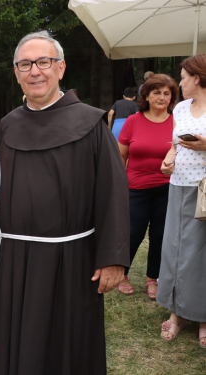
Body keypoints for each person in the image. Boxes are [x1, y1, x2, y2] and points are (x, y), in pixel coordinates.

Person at [0, 31, 130, 375]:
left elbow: (113, 193)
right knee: (20, 342)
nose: (35, 71)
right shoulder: (6, 128)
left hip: (73, 259)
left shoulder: (90, 122)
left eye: (43, 62)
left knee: (69, 345)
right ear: (16, 72)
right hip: (17, 260)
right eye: (25, 64)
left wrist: (113, 258)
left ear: (61, 68)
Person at [159, 54, 206, 347]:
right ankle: (176, 313)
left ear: (197, 79)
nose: (180, 82)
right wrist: (169, 158)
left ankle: (202, 317)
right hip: (178, 186)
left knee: (199, 254)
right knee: (175, 249)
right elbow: (175, 143)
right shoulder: (180, 108)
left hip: (204, 191)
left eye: (183, 77)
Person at [117, 74, 178, 299]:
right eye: (156, 92)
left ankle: (153, 278)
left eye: (166, 93)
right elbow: (120, 157)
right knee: (133, 234)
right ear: (146, 95)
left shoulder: (177, 122)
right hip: (135, 189)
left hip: (168, 188)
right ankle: (122, 273)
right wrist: (119, 187)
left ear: (172, 97)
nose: (161, 97)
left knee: (160, 235)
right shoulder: (133, 121)